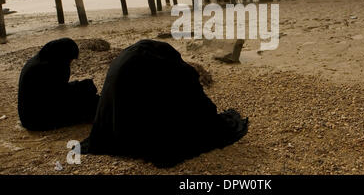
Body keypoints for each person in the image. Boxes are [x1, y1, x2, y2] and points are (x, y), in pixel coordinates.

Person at [81, 40, 248, 168]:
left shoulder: (131, 64)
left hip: (119, 131)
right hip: (151, 137)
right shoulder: (172, 71)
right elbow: (198, 106)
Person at [18, 38, 99, 131]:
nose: (71, 63)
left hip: (32, 116)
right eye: (70, 59)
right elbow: (58, 95)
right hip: (37, 120)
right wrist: (81, 87)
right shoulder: (43, 68)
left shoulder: (42, 61)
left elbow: (55, 90)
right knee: (90, 103)